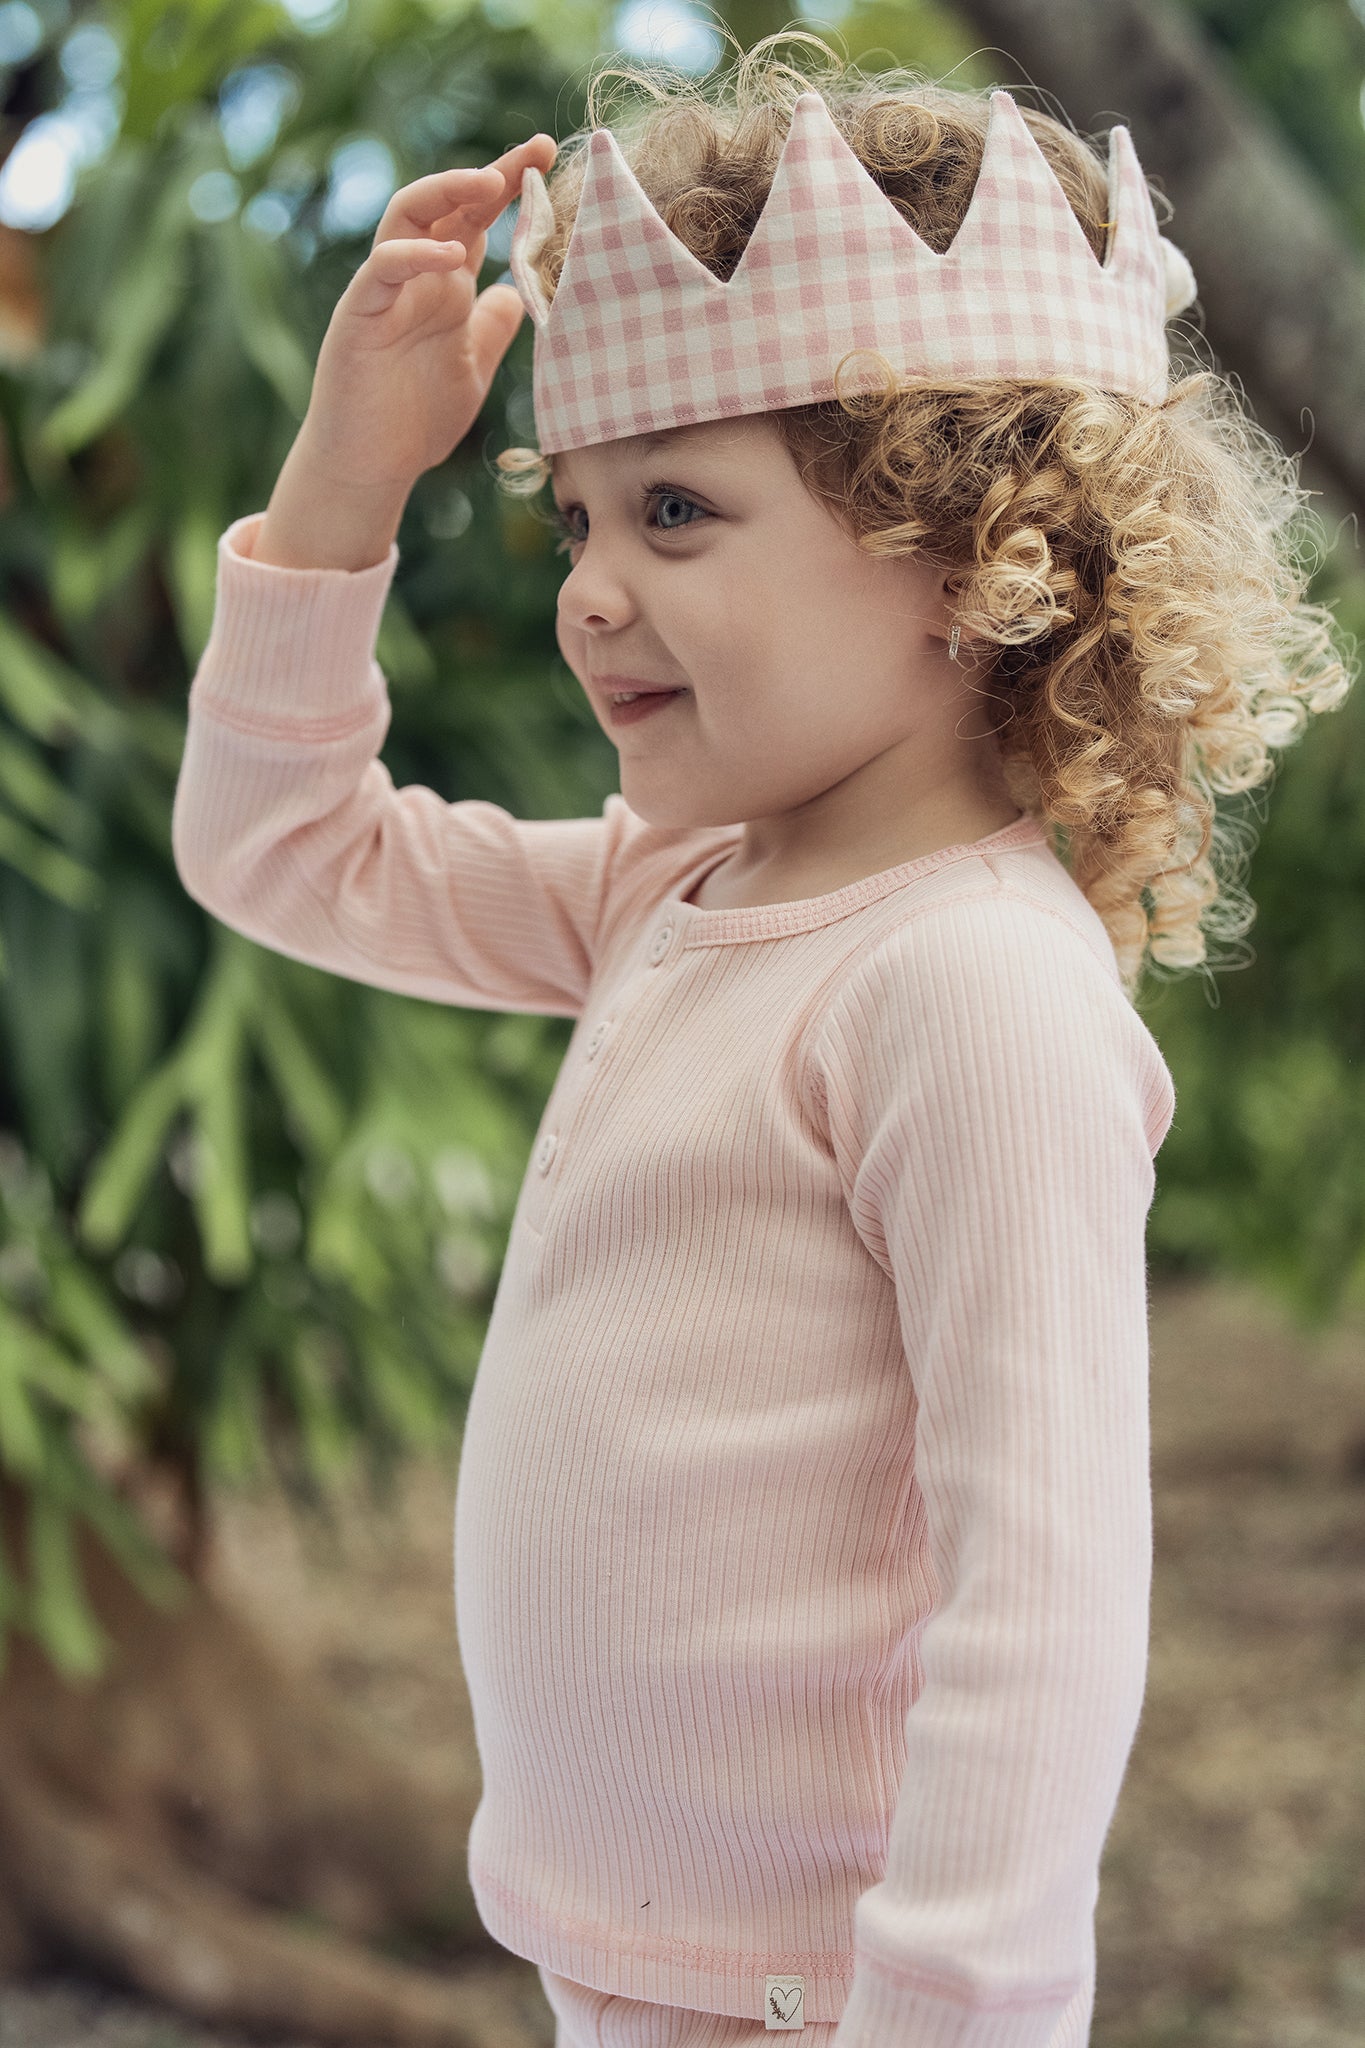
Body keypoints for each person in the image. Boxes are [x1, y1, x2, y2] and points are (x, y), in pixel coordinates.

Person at [170, 30, 1352, 2048]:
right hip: (625, 1960)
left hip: (825, 2004)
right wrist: (346, 474)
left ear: (970, 559)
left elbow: (1038, 1584)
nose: (593, 595)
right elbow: (279, 850)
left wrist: (949, 2012)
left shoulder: (967, 993)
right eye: (580, 523)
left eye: (679, 515)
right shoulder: (673, 888)